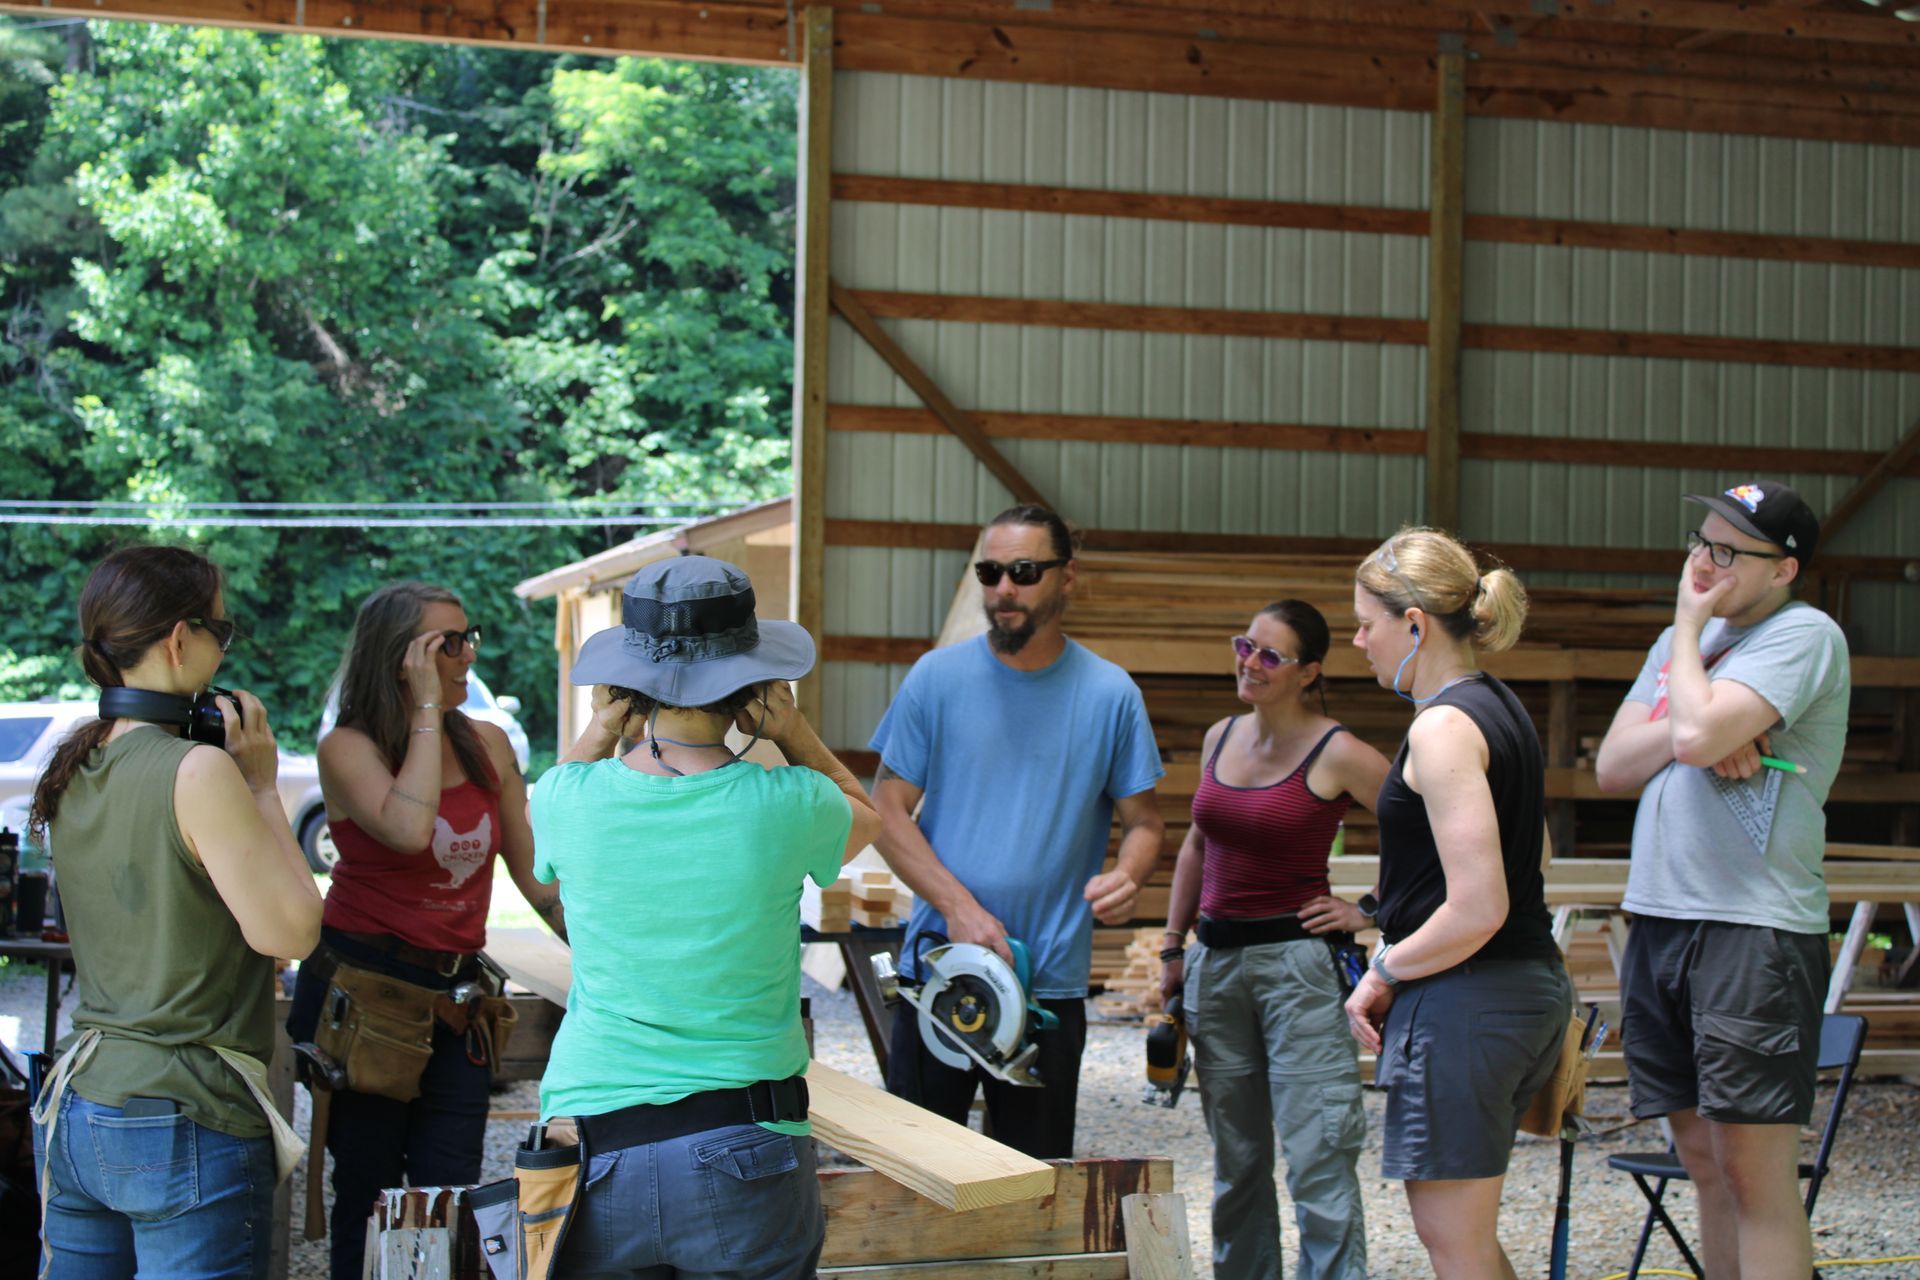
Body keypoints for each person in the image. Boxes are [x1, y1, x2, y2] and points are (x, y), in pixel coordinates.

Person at [530, 555, 879, 1280]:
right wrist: (796, 735)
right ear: (754, 687)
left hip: (592, 1135)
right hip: (745, 1130)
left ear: (624, 685)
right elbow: (865, 819)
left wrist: (601, 729)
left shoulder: (566, 797)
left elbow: (555, 809)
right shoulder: (787, 805)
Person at [28, 545, 323, 1279]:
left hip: (84, 1103)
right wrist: (260, 787)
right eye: (222, 631)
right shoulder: (197, 770)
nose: (225, 651)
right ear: (177, 639)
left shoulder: (77, 762)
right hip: (185, 1112)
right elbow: (291, 930)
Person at [1594, 481, 1848, 1280]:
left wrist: (1692, 712)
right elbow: (1611, 766)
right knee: (1703, 1165)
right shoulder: (1682, 647)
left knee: (1754, 1173)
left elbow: (1696, 735)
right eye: (1701, 543)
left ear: (1785, 570)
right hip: (1660, 917)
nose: (1703, 564)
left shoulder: (1803, 634)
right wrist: (1697, 723)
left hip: (1750, 927)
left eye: (1729, 552)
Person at [870, 504, 1165, 1159]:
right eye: (991, 571)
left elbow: (1144, 821)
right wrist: (959, 909)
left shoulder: (1110, 694)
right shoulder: (936, 678)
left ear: (1067, 579)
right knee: (913, 1175)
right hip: (940, 974)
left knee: (1030, 1190)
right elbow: (885, 810)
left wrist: (1130, 872)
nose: (1004, 588)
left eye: (1025, 571)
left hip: (1049, 987)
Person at [287, 581, 561, 1280]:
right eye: (450, 643)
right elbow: (410, 829)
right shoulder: (347, 749)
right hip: (367, 1000)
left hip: (455, 1000)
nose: (470, 653)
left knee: (455, 1197)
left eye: (469, 637)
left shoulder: (491, 745)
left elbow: (538, 883)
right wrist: (429, 711)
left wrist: (616, 960)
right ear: (401, 656)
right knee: (370, 1196)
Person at [1342, 528, 1571, 1280]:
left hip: (1467, 999)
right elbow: (1532, 856)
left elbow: (1478, 908)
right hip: (1517, 989)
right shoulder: (1500, 707)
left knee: (1453, 1239)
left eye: (1366, 623)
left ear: (1413, 624)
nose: (1356, 639)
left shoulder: (1440, 727)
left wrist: (1385, 969)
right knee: (1466, 1237)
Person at [1158, 600, 1390, 1280]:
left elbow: (1432, 825)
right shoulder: (1220, 736)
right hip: (1216, 964)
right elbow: (1197, 846)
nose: (1249, 663)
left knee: (1318, 1155)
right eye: (1244, 646)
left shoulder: (1339, 750)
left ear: (1309, 672)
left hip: (1299, 971)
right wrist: (1174, 948)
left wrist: (1367, 909)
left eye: (1269, 655)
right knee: (1237, 1162)